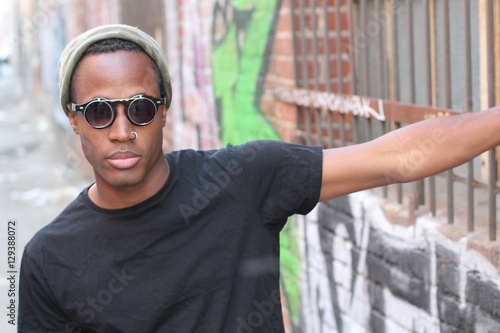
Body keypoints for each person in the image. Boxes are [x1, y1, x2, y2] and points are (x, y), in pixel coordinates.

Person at [18, 24, 500, 332]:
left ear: (163, 112)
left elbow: (399, 157)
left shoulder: (240, 180)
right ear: (74, 118)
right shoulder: (49, 258)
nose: (123, 132)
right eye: (100, 113)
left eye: (141, 109)